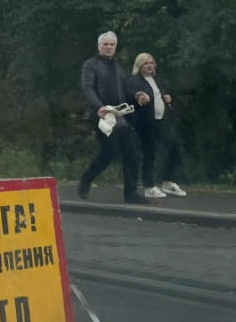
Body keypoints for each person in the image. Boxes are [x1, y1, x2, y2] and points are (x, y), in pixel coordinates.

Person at [79, 31, 150, 204]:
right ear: (99, 46)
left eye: (112, 44)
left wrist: (138, 94)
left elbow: (126, 91)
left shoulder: (118, 68)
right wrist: (99, 106)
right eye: (106, 44)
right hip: (101, 116)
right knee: (109, 153)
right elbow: (87, 88)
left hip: (120, 116)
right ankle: (86, 179)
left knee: (131, 152)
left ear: (115, 47)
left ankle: (131, 193)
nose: (109, 47)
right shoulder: (91, 65)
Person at [126, 53, 186, 198]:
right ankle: (149, 187)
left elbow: (161, 94)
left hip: (160, 120)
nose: (150, 66)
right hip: (145, 122)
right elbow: (131, 93)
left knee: (174, 146)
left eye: (152, 63)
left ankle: (168, 181)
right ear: (139, 65)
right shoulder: (134, 80)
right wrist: (139, 96)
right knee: (150, 152)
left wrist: (167, 98)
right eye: (146, 63)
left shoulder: (157, 79)